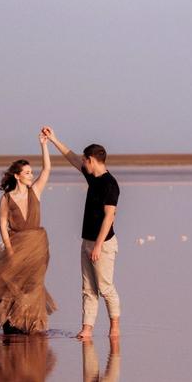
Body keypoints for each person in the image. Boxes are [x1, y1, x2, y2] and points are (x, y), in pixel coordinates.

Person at [0, 133, 57, 335]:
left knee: (33, 284)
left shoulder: (36, 191)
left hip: (37, 246)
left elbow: (48, 169)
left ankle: (32, 323)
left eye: (31, 172)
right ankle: (11, 320)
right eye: (27, 172)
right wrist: (9, 249)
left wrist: (44, 145)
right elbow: (2, 224)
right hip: (16, 245)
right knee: (11, 282)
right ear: (17, 176)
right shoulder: (6, 199)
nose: (31, 175)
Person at [42, 127, 120, 341]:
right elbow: (71, 157)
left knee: (105, 288)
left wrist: (97, 246)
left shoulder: (110, 184)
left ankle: (114, 326)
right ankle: (87, 328)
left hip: (103, 244)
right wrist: (54, 139)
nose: (82, 163)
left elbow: (109, 216)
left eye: (85, 160)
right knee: (88, 288)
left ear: (92, 160)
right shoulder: (92, 176)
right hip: (87, 240)